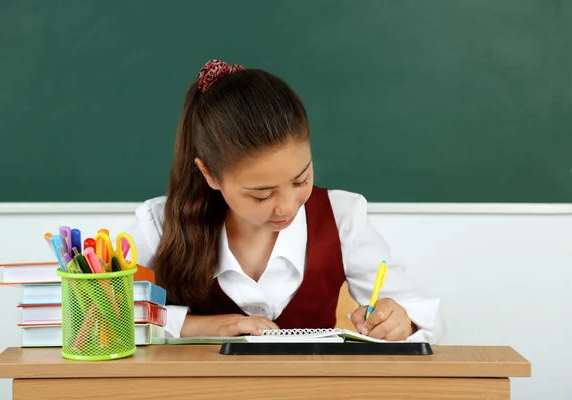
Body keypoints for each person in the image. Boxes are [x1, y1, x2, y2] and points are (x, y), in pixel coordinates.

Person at [126, 59, 444, 342]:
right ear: (209, 175)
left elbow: (425, 317)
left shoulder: (343, 216)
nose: (288, 206)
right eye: (261, 195)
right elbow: (99, 314)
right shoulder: (159, 223)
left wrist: (402, 322)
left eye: (301, 179)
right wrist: (197, 326)